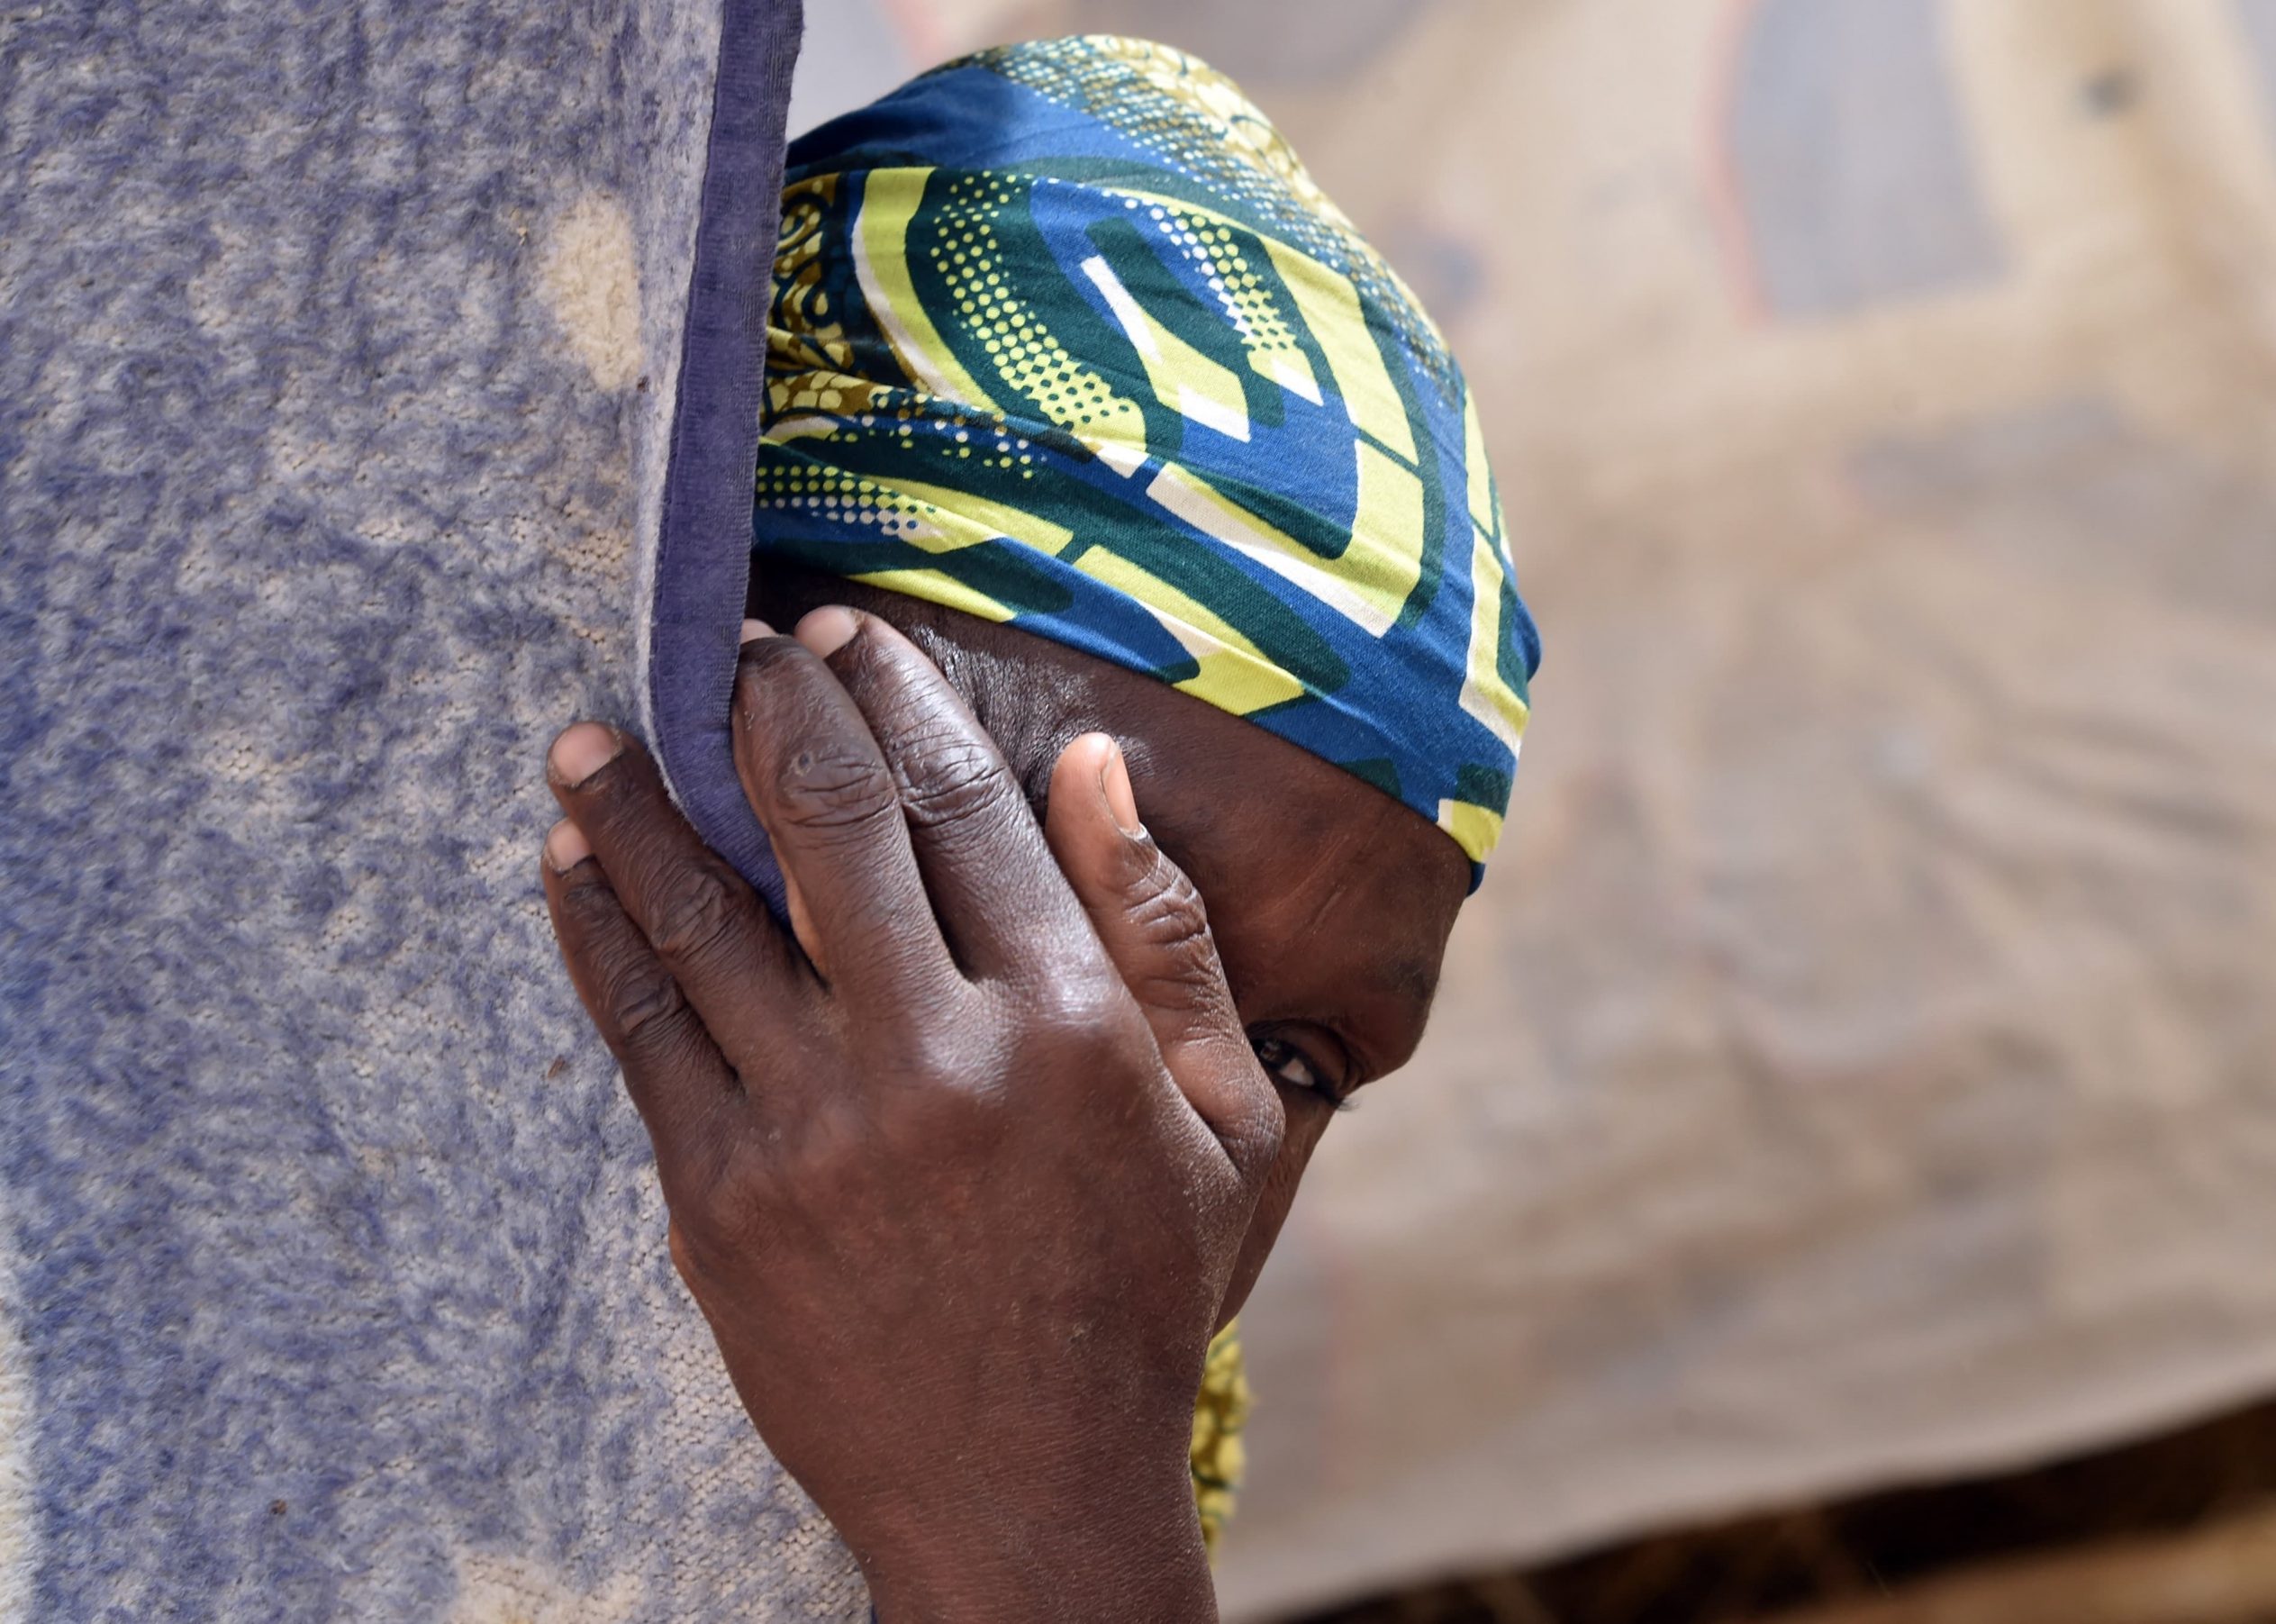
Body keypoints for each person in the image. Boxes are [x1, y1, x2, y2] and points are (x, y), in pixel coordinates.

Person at [539, 36, 1539, 1622]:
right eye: (1025, 902)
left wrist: (1055, 1529)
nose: (1152, 1149)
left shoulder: (1137, 1496)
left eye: (1299, 1066)